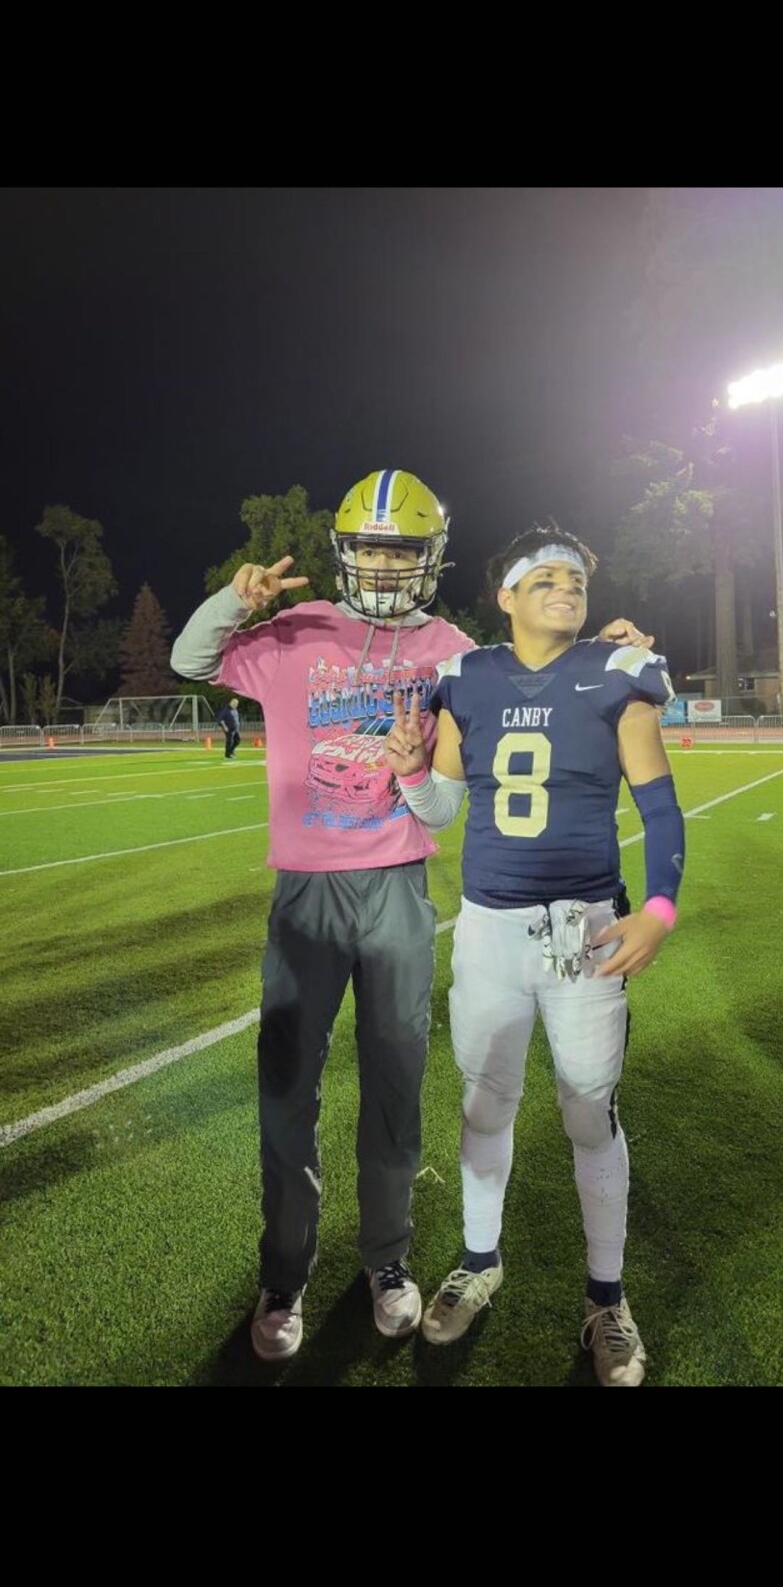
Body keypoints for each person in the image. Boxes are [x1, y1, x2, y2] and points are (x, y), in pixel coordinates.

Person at [171, 473, 650, 1364]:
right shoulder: (294, 630)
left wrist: (605, 648)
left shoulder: (450, 648)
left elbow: (533, 667)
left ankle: (387, 1260)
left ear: (427, 559)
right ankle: (285, 1274)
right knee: (288, 1088)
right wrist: (235, 600)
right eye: (372, 548)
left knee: (395, 1086)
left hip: (397, 887)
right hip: (307, 891)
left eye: (402, 551)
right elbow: (190, 661)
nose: (386, 566)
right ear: (346, 552)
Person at [384, 523, 685, 1387]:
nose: (566, 587)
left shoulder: (618, 671)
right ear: (506, 596)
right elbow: (442, 809)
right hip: (489, 932)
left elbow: (660, 809)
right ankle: (480, 1260)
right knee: (484, 1107)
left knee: (589, 1114)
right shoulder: (466, 677)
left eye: (576, 579)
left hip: (584, 930)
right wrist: (411, 772)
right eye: (545, 576)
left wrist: (659, 908)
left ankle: (606, 1297)